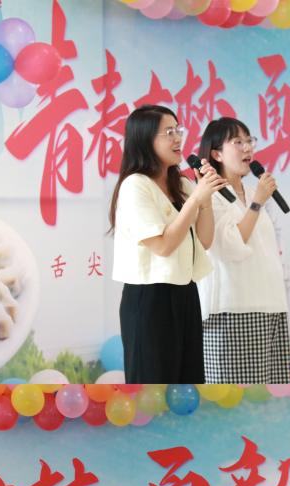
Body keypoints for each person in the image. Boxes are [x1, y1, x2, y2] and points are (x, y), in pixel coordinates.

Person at [110, 104, 229, 383]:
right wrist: (196, 199)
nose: (178, 139)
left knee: (188, 382)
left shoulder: (183, 184)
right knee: (153, 387)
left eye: (178, 130)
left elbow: (204, 241)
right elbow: (162, 246)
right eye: (168, 132)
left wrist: (205, 199)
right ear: (145, 139)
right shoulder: (135, 185)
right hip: (149, 299)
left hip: (186, 293)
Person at [197, 117, 290, 384]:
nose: (247, 148)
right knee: (236, 396)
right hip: (234, 311)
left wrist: (257, 200)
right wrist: (258, 203)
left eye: (249, 141)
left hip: (269, 305)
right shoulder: (211, 195)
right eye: (238, 142)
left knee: (268, 396)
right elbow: (231, 248)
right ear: (216, 154)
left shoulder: (252, 192)